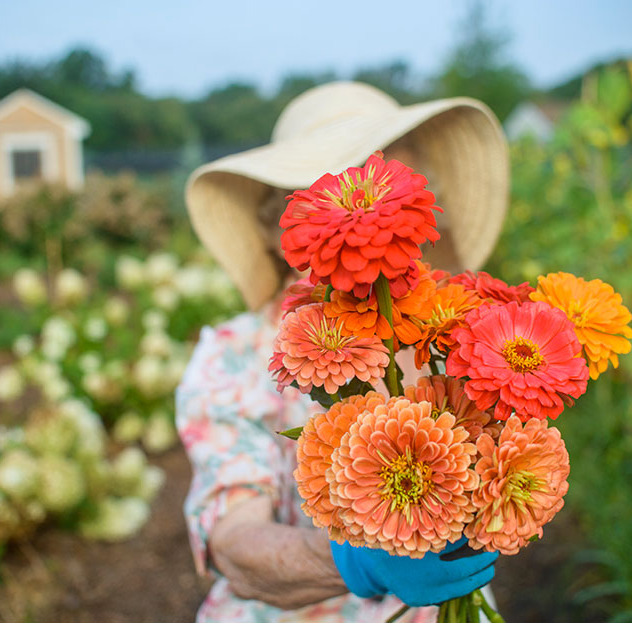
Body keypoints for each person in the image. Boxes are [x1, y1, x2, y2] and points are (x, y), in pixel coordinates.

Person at [177, 81, 510, 622]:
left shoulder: (452, 326)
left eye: (383, 181)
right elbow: (234, 543)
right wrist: (359, 561)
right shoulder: (233, 356)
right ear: (282, 223)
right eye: (336, 185)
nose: (365, 209)